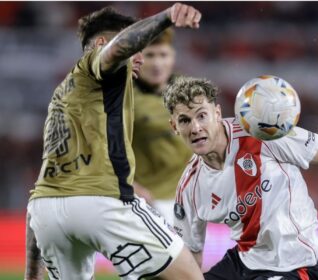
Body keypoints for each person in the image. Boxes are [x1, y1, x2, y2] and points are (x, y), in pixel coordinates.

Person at [25, 4, 204, 280]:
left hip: (46, 213)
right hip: (102, 202)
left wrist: (32, 274)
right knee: (190, 274)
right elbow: (116, 49)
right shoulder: (96, 65)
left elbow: (41, 191)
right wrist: (167, 17)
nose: (140, 58)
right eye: (137, 49)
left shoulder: (63, 94)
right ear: (100, 44)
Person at [163, 77, 318, 280]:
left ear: (217, 114)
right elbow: (191, 257)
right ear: (174, 127)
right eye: (185, 120)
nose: (195, 128)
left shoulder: (260, 133)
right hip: (243, 262)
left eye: (201, 116)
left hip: (295, 262)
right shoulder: (189, 187)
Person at [132, 28, 192, 223]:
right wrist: (128, 186)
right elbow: (100, 148)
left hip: (188, 200)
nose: (157, 63)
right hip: (147, 200)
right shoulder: (123, 97)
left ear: (172, 57)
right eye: (150, 55)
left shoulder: (189, 90)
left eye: (163, 55)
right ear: (137, 59)